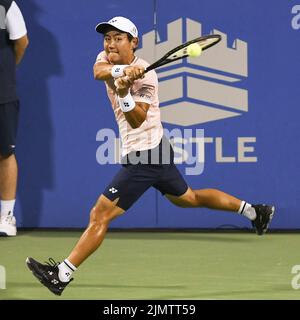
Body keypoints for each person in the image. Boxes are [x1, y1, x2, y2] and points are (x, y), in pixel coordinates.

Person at [26, 16, 275, 296]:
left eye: (118, 38)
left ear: (134, 42)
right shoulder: (107, 58)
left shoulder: (147, 74)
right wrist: (121, 71)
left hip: (145, 154)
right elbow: (98, 71)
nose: (110, 44)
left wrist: (125, 93)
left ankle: (61, 274)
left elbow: (136, 119)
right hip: (156, 148)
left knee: (99, 216)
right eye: (107, 38)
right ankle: (254, 211)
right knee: (188, 198)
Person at [0, 0, 29, 236]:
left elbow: (21, 41)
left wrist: (6, 71)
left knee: (5, 153)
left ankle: (6, 217)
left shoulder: (6, 4)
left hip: (2, 92)